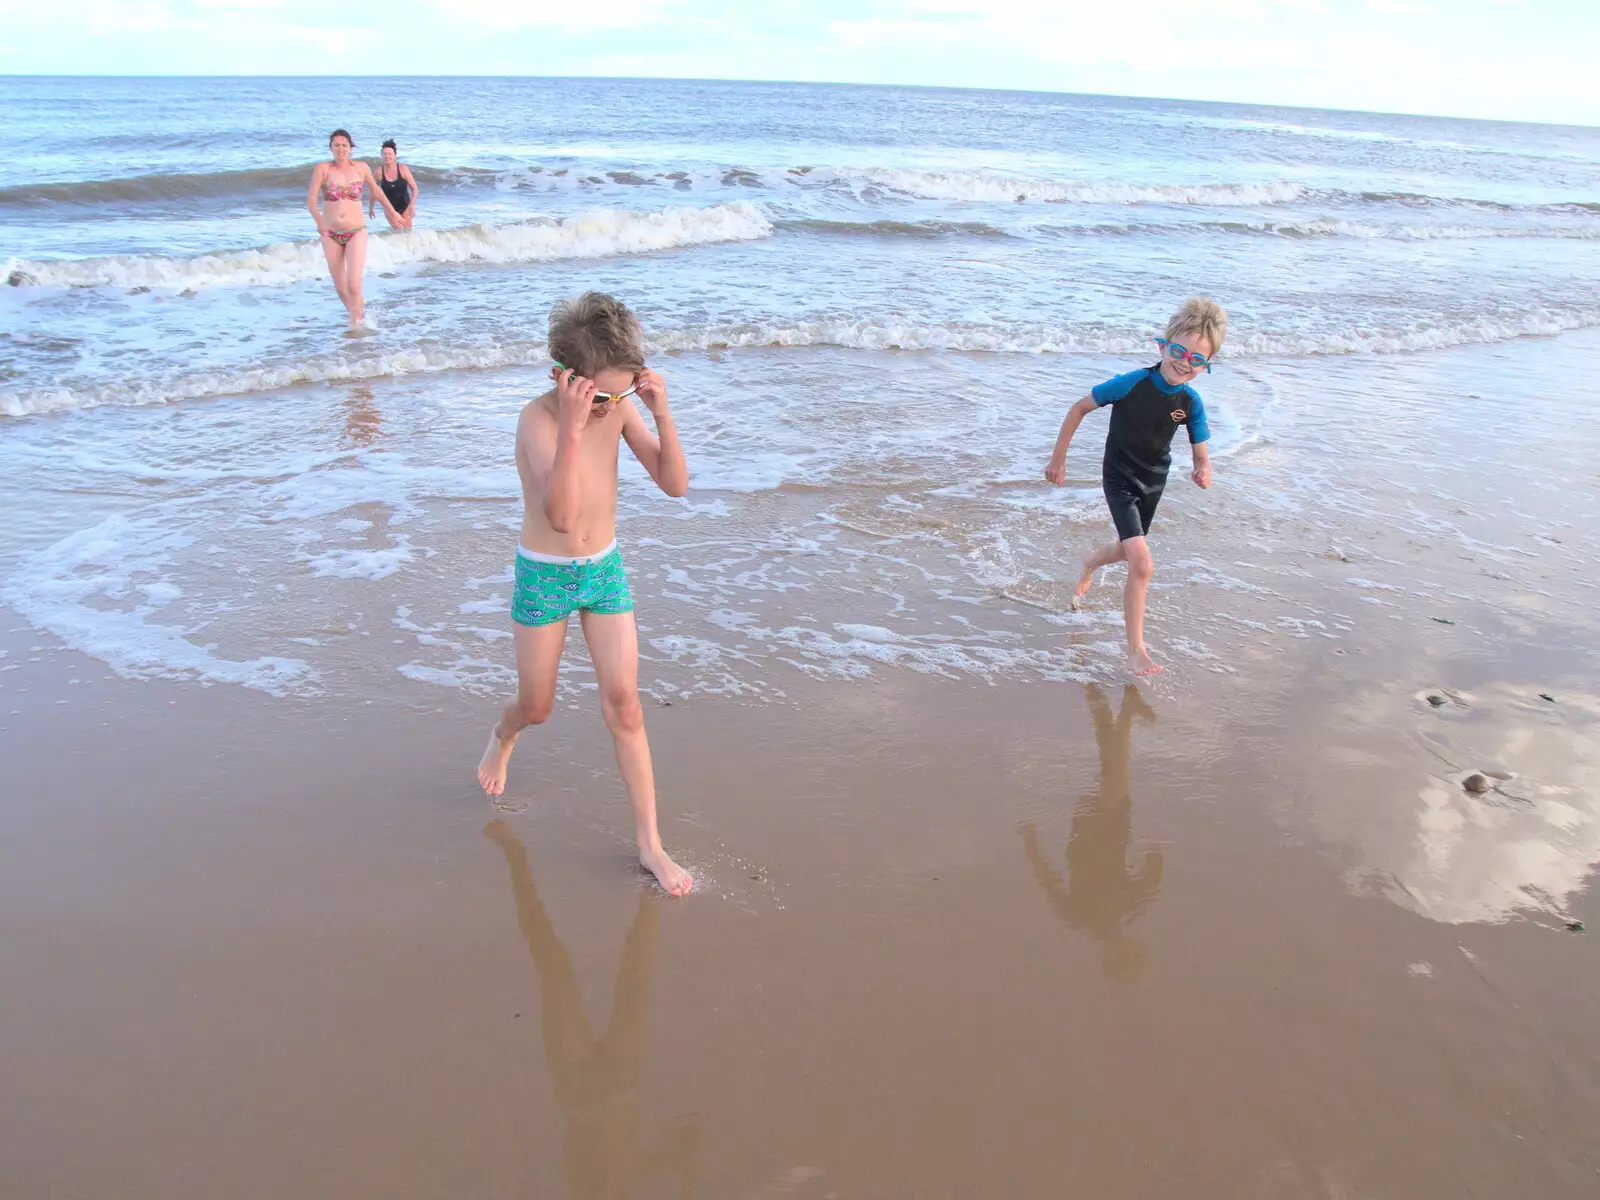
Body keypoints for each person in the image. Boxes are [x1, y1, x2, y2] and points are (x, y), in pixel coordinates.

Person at [476, 292, 693, 897]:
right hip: (545, 573)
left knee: (625, 703)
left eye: (620, 395)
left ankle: (651, 845)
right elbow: (563, 516)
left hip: (604, 570)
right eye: (600, 395)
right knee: (537, 706)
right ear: (564, 380)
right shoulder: (538, 421)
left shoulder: (620, 411)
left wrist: (658, 410)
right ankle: (504, 736)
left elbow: (674, 485)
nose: (609, 408)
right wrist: (573, 428)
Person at [484, 820, 702, 1197]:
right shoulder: (626, 1182)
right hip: (620, 1085)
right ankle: (518, 861)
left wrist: (679, 1154)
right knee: (631, 983)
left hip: (578, 1091)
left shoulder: (597, 1185)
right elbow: (644, 1166)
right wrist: (680, 1155)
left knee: (555, 974)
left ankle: (517, 864)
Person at [1043, 297, 1225, 677]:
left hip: (1153, 482)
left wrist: (1202, 468)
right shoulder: (1132, 383)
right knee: (1143, 563)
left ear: (1205, 367)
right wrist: (1058, 458)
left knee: (1129, 551)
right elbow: (1078, 408)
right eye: (1180, 351)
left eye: (1197, 360)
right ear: (1163, 345)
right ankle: (1136, 651)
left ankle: (1091, 561)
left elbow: (1200, 447)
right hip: (1120, 477)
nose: (1185, 362)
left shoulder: (1190, 402)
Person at [1019, 684, 1164, 984]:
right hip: (1085, 830)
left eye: (1133, 953)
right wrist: (1031, 843)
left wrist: (1031, 843)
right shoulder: (1083, 916)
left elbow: (1153, 869)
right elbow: (1048, 879)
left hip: (1107, 827)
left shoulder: (1116, 909)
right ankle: (1104, 699)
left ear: (1119, 953)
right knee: (1111, 763)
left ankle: (1125, 709)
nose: (1135, 946)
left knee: (1117, 766)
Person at [305, 128, 399, 328]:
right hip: (330, 234)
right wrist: (319, 222)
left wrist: (393, 212)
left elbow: (377, 192)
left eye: (344, 145)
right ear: (331, 148)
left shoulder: (361, 168)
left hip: (356, 231)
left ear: (350, 148)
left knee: (353, 284)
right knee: (340, 288)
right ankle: (360, 318)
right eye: (336, 145)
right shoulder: (323, 168)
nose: (340, 149)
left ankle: (354, 328)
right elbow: (311, 202)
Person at [369, 138, 418, 231]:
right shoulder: (379, 172)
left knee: (407, 232)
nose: (387, 156)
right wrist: (371, 208)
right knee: (399, 231)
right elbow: (373, 190)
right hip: (389, 208)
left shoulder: (403, 169)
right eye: (384, 154)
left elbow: (415, 189)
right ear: (381, 155)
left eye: (390, 154)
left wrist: (412, 205)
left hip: (406, 206)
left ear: (395, 155)